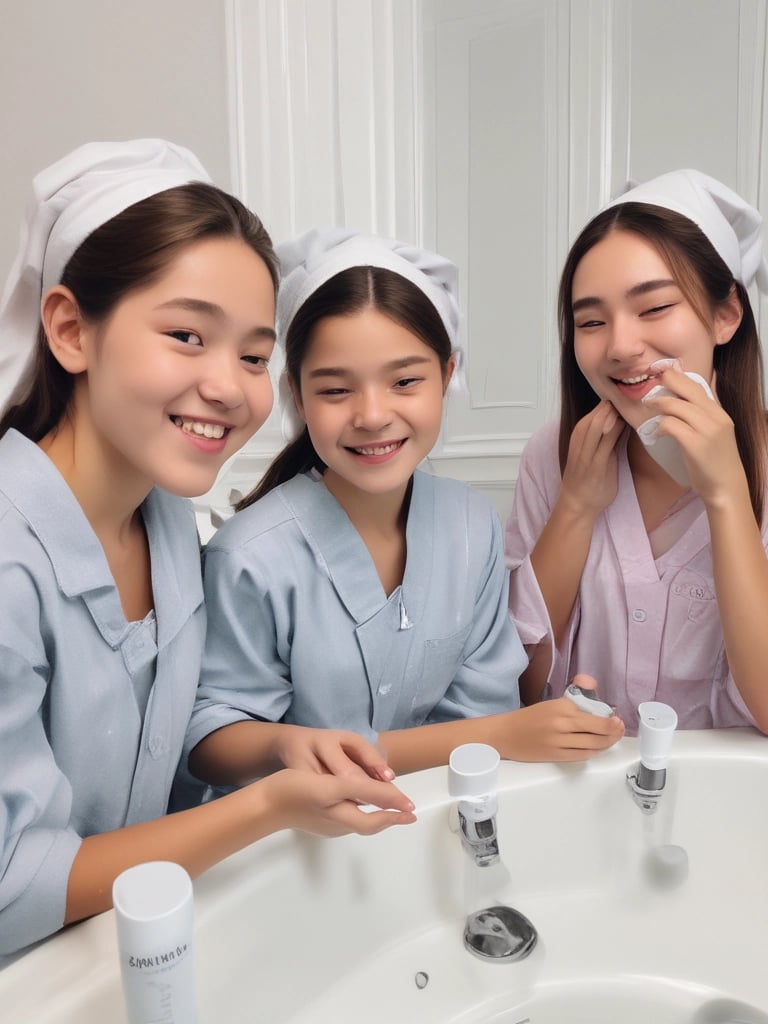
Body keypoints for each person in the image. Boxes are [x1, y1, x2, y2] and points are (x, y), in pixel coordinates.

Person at [0, 142, 415, 964]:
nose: (231, 387)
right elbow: (13, 886)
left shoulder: (166, 525)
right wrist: (266, 807)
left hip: (130, 950)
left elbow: (157, 732)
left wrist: (279, 744)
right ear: (71, 330)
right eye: (188, 334)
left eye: (256, 356)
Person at [186, 228, 623, 783]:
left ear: (447, 374)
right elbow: (211, 740)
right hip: (295, 845)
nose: (372, 415)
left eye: (404, 381)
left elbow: (483, 705)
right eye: (336, 390)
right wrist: (501, 736)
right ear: (297, 395)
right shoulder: (248, 557)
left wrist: (522, 730)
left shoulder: (471, 527)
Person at [505, 169, 768, 736]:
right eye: (592, 321)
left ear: (727, 315)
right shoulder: (551, 455)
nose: (622, 347)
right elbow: (515, 685)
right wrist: (575, 505)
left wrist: (726, 496)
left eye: (653, 309)